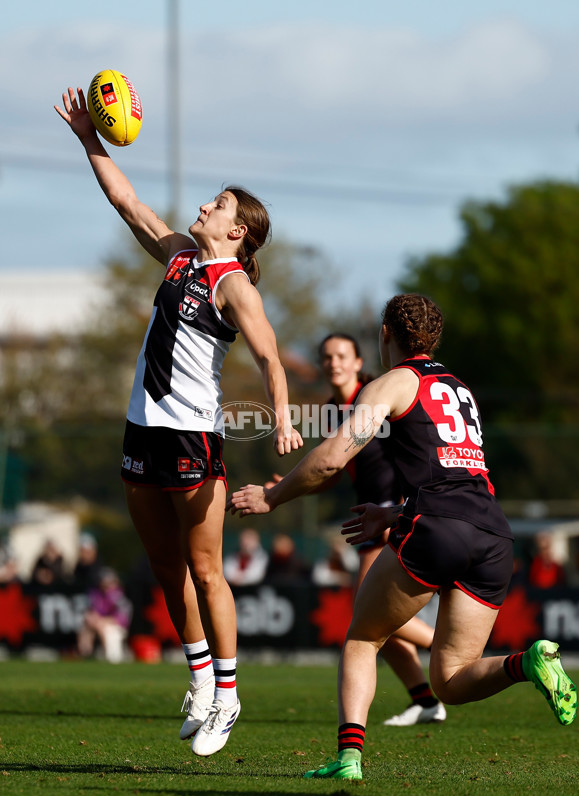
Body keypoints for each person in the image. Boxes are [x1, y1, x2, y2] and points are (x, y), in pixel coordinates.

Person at [228, 293, 578, 780]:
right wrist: (395, 513)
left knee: (363, 637)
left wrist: (273, 496)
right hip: (494, 534)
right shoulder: (459, 387)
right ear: (435, 337)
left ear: (385, 334)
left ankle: (349, 757)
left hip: (438, 529)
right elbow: (456, 476)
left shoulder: (392, 383)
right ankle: (528, 662)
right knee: (451, 680)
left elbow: (331, 459)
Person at [55, 86, 302, 757]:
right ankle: (198, 677)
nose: (203, 207)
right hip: (142, 430)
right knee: (165, 568)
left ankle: (227, 693)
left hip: (192, 435)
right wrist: (88, 140)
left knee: (206, 569)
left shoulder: (232, 284)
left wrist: (282, 419)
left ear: (237, 231)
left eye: (217, 205)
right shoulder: (179, 258)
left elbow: (269, 353)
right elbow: (127, 202)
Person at [318, 332, 445, 726]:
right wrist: (283, 488)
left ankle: (452, 649)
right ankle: (425, 702)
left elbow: (412, 456)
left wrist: (402, 512)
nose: (333, 362)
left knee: (370, 616)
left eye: (342, 355)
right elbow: (332, 470)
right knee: (373, 622)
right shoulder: (329, 410)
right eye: (326, 357)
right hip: (368, 518)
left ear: (358, 362)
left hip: (391, 515)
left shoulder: (377, 398)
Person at [77, 568, 132, 663]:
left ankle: (112, 657)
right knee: (85, 628)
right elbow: (90, 611)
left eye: (109, 583)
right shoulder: (96, 595)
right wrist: (93, 618)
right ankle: (85, 655)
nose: (107, 586)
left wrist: (103, 621)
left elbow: (123, 618)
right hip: (98, 624)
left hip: (115, 626)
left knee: (107, 630)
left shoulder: (119, 597)